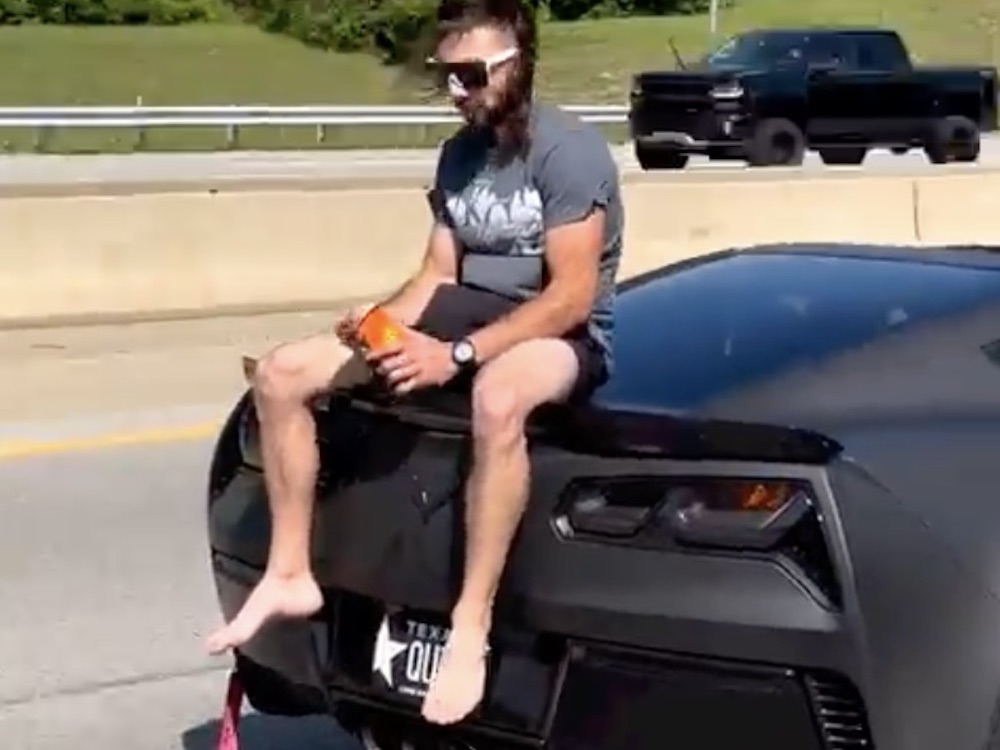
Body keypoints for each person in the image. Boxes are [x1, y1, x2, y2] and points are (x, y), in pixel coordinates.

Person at [204, 0, 624, 727]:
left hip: (559, 336)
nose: (457, 93)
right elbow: (435, 276)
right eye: (446, 77)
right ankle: (291, 572)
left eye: (471, 75)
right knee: (280, 375)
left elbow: (571, 296)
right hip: (461, 316)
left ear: (516, 64)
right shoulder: (459, 155)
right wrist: (380, 324)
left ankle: (470, 627)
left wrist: (452, 355)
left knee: (497, 399)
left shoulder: (569, 152)